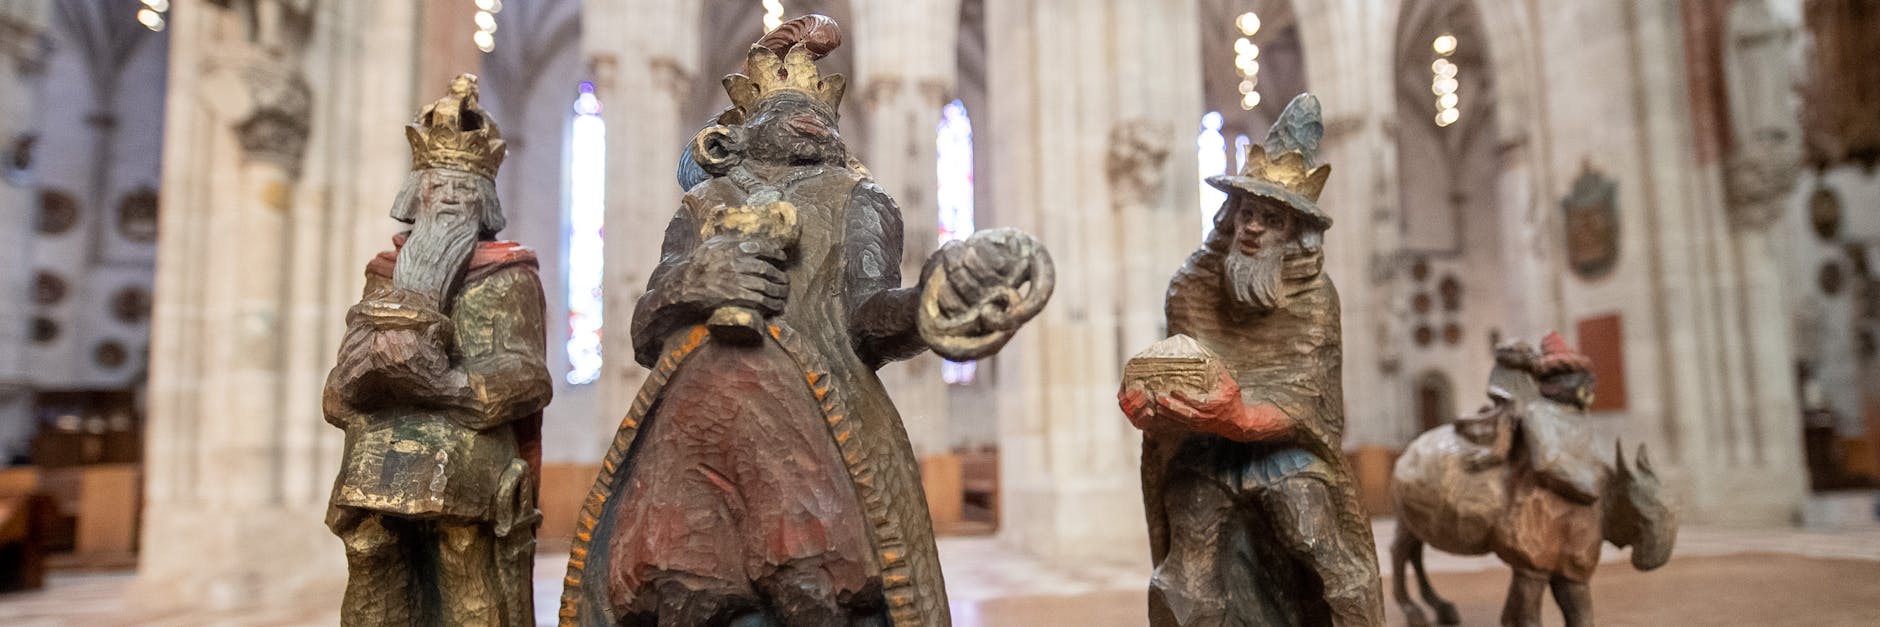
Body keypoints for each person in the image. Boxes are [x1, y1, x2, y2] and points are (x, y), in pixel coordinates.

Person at [1122, 94, 1383, 627]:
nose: (1253, 227)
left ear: (1293, 233)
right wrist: (1155, 410)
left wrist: (1244, 417)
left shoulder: (1314, 297)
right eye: (1246, 211)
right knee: (1186, 563)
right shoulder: (1192, 286)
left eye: (1270, 217)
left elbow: (1313, 402)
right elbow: (1182, 372)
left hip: (1288, 450)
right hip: (1207, 452)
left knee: (1320, 543)